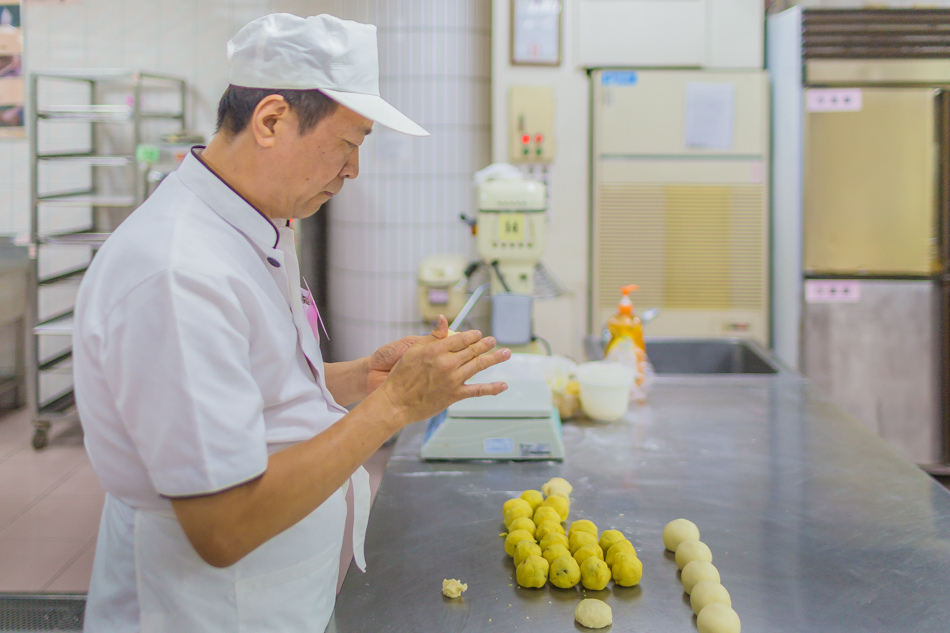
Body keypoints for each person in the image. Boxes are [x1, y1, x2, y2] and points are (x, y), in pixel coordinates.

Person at [72, 13, 509, 632]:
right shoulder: (178, 273)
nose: (354, 170)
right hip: (204, 609)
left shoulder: (254, 226)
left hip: (271, 599)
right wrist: (393, 409)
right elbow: (223, 525)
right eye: (349, 143)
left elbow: (251, 387)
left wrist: (360, 378)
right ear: (272, 120)